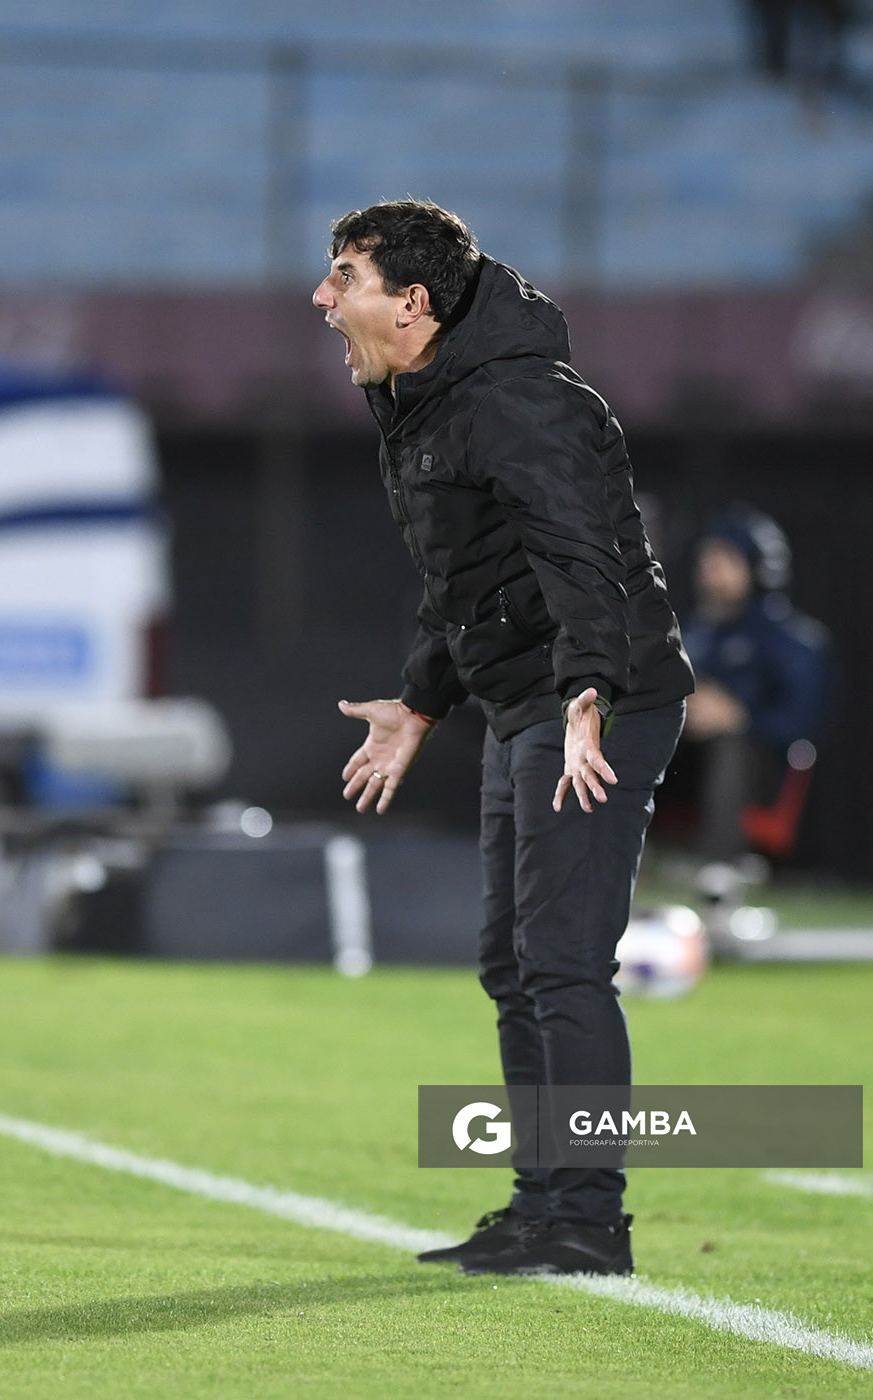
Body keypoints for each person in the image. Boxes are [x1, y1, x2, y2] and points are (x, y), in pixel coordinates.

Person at [312, 200, 694, 1278]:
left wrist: (587, 690)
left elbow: (585, 558)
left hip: (588, 707)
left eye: (344, 277)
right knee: (513, 962)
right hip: (529, 700)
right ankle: (541, 1203)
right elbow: (467, 580)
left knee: (563, 963)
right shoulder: (434, 401)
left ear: (413, 304)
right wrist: (422, 701)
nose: (323, 299)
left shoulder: (515, 400)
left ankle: (588, 1218)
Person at [678, 509, 831, 887]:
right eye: (707, 559)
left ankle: (719, 863)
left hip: (769, 772)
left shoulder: (795, 640)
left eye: (724, 559)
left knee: (735, 744)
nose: (710, 570)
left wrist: (737, 715)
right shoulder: (695, 632)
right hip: (692, 760)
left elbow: (802, 723)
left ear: (758, 566)